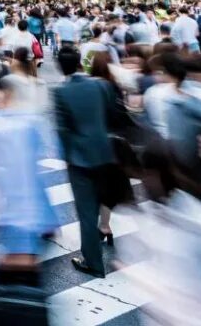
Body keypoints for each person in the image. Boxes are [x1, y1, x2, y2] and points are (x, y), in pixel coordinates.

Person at [53, 47, 118, 276]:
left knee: (86, 212)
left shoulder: (61, 92)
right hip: (104, 152)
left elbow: (62, 129)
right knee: (103, 202)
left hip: (79, 158)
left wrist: (68, 154)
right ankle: (106, 230)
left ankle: (93, 262)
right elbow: (112, 115)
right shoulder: (101, 85)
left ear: (60, 66)